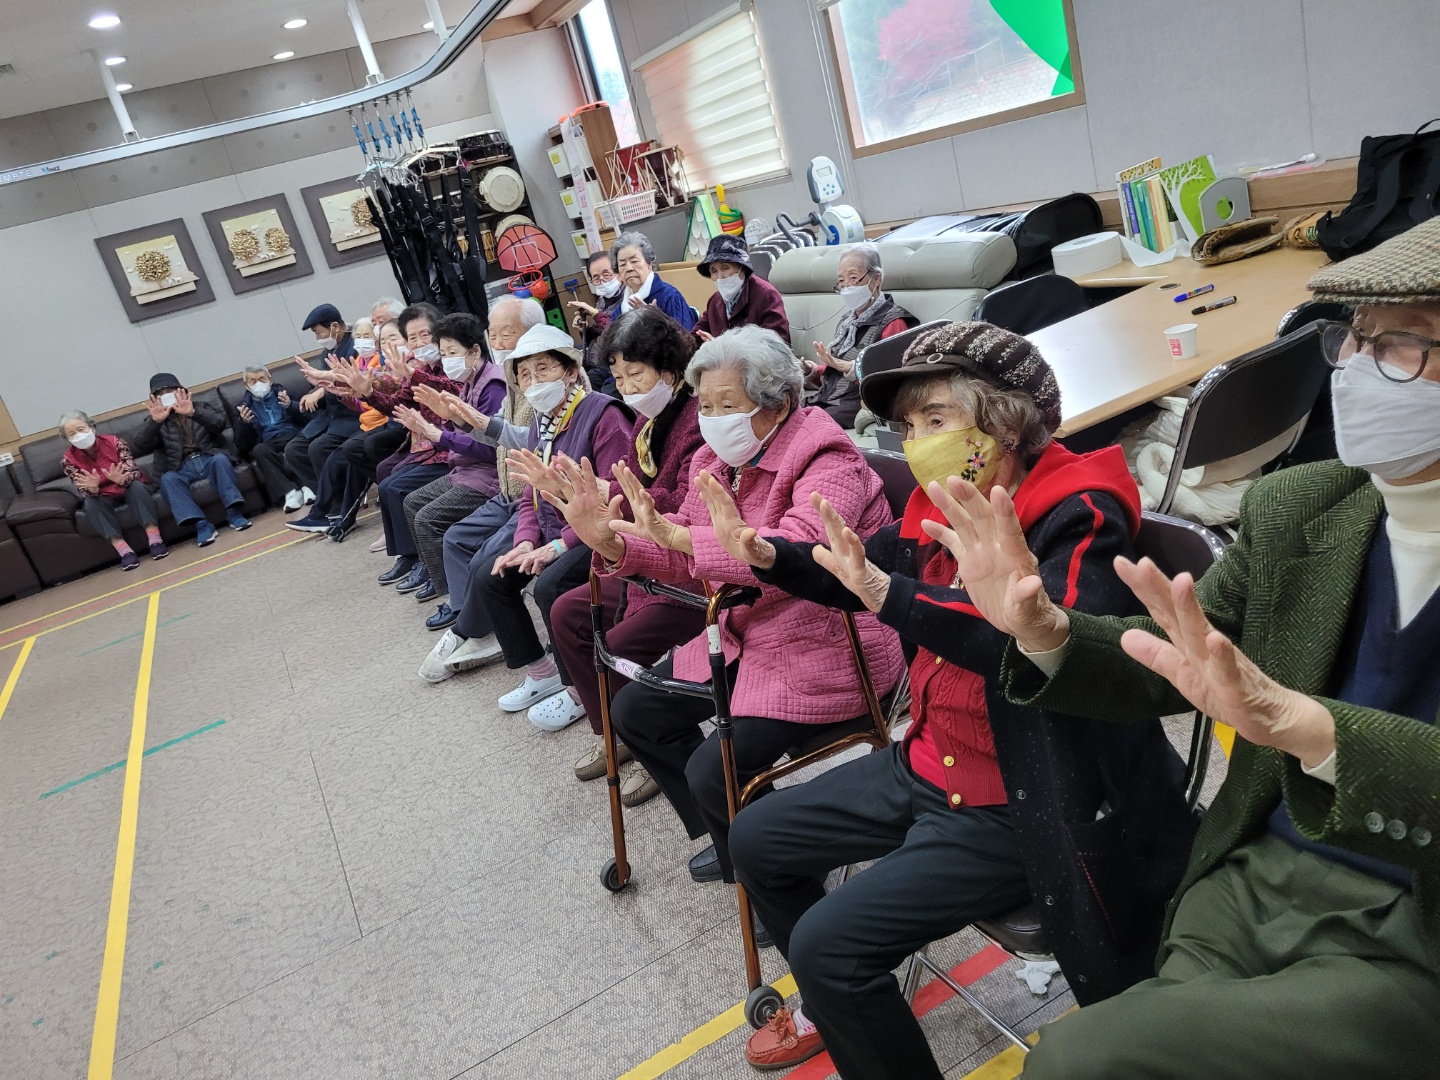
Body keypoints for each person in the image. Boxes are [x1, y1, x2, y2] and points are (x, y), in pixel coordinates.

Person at [925, 220, 1440, 1079]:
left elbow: (1282, 715)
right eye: (1352, 337)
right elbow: (1180, 663)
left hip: (1413, 925)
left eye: (1398, 345)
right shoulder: (1306, 505)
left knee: (1078, 1061)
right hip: (1251, 875)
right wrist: (1046, 630)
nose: (1351, 367)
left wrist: (1312, 732)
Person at [715, 322, 1195, 1075]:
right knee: (756, 837)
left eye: (935, 419)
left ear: (1005, 422)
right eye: (909, 426)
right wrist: (772, 554)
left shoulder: (1077, 512)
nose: (915, 442)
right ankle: (846, 1004)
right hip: (931, 761)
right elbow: (859, 567)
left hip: (1022, 796)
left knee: (826, 946)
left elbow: (1055, 652)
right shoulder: (937, 508)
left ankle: (838, 984)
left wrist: (891, 595)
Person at [593, 325, 905, 886]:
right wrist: (616, 542)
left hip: (830, 646)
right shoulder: (715, 461)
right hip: (749, 633)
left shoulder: (828, 457)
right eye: (706, 405)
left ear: (778, 402)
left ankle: (777, 871)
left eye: (728, 404)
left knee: (712, 770)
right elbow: (684, 551)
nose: (713, 419)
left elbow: (801, 555)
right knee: (635, 712)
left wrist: (682, 538)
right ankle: (737, 837)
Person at [529, 308, 705, 808]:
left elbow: (682, 504)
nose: (627, 388)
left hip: (686, 566)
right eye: (620, 377)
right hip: (645, 555)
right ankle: (617, 733)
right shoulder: (649, 421)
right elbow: (625, 484)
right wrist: (575, 491)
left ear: (669, 369)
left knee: (616, 646)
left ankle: (657, 745)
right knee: (565, 612)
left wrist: (612, 496)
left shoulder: (696, 418)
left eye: (636, 374)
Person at [438, 324, 632, 709]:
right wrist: (525, 541)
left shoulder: (602, 414)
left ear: (571, 372)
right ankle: (542, 673)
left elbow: (618, 499)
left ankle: (579, 687)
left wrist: (558, 547)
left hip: (597, 533)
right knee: (492, 575)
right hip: (555, 532)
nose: (533, 381)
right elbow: (530, 495)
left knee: (550, 586)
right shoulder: (540, 424)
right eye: (525, 375)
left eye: (543, 369)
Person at [410, 297, 544, 629]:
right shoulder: (510, 380)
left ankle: (470, 623)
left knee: (483, 563)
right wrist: (459, 422)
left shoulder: (522, 383)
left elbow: (526, 441)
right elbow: (496, 435)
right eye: (492, 335)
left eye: (506, 334)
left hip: (524, 492)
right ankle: (462, 612)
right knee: (450, 534)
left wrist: (444, 433)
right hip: (504, 489)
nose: (498, 343)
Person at [384, 310, 512, 609]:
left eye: (452, 352)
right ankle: (436, 576)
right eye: (443, 353)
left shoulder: (492, 386)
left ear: (475, 351)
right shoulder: (469, 381)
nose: (446, 359)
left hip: (489, 475)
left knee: (428, 517)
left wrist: (437, 434)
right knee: (412, 501)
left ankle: (455, 601)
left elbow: (492, 450)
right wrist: (434, 428)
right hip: (465, 469)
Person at [286, 303, 444, 538]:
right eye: (383, 340)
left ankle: (351, 517)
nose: (418, 342)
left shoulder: (416, 363)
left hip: (431, 439)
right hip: (407, 432)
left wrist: (337, 378)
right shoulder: (394, 362)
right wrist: (352, 393)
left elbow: (387, 382)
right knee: (375, 465)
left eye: (423, 335)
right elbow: (388, 400)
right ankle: (382, 526)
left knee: (366, 455)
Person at [131, 374, 251, 547]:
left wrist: (193, 413)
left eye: (170, 390)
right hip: (181, 466)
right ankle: (202, 525)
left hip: (208, 456)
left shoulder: (200, 406)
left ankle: (234, 514)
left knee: (220, 460)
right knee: (167, 479)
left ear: (181, 390)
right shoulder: (155, 419)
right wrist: (155, 422)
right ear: (155, 399)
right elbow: (141, 445)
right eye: (161, 394)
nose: (167, 395)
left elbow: (220, 424)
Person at [809, 243, 916, 429]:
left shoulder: (893, 322)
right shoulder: (846, 321)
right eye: (841, 281)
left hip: (857, 402)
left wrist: (851, 368)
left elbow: (890, 382)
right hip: (829, 399)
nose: (846, 287)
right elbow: (835, 375)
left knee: (808, 423)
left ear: (876, 279)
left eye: (853, 278)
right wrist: (811, 370)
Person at [59, 411, 168, 569]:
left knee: (136, 487)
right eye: (72, 434)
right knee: (90, 503)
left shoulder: (115, 442)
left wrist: (122, 480)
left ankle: (155, 539)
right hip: (102, 494)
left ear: (92, 427)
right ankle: (124, 551)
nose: (78, 435)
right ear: (68, 439)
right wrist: (93, 489)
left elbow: (133, 471)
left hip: (126, 485)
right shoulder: (68, 460)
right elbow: (82, 488)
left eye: (81, 429)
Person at [281, 302, 361, 496]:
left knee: (318, 448)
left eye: (319, 332)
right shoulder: (326, 353)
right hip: (329, 417)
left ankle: (340, 500)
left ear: (335, 327)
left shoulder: (356, 346)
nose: (318, 338)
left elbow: (354, 381)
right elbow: (323, 384)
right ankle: (326, 496)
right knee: (293, 450)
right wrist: (314, 390)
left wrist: (321, 390)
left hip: (351, 416)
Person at [233, 365, 310, 511]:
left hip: (291, 433)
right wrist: (244, 424)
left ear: (270, 379)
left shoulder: (285, 394)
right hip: (268, 440)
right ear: (246, 386)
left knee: (298, 442)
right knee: (259, 451)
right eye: (253, 381)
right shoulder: (243, 407)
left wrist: (290, 406)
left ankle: (308, 486)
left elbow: (308, 419)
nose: (259, 384)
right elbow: (241, 446)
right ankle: (291, 493)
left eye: (262, 379)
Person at [693, 234, 790, 343]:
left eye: (725, 267)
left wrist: (721, 347)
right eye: (713, 271)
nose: (720, 277)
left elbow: (777, 344)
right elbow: (695, 338)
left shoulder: (766, 295)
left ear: (742, 267)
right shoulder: (714, 302)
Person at [610, 231, 697, 331]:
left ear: (649, 264)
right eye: (622, 264)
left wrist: (655, 318)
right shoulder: (620, 309)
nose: (629, 268)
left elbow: (685, 337)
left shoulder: (670, 297)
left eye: (634, 261)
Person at [570, 250, 625, 386]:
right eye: (596, 278)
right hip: (597, 361)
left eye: (606, 275)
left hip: (617, 365)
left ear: (618, 272)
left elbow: (619, 335)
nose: (602, 281)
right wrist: (585, 329)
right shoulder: (602, 300)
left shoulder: (629, 298)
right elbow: (598, 334)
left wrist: (595, 314)